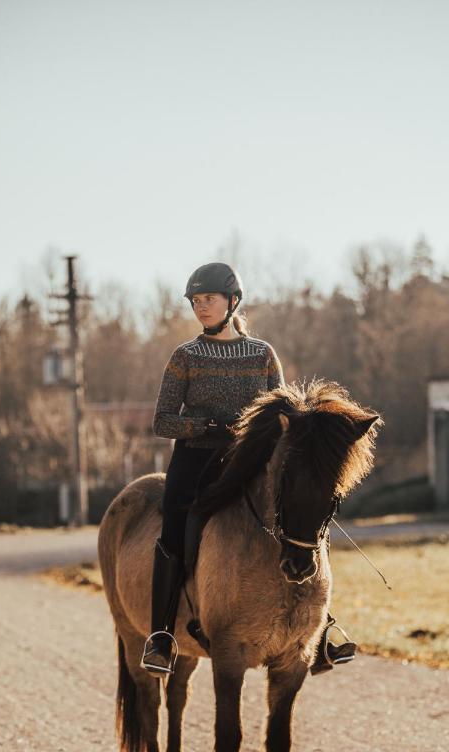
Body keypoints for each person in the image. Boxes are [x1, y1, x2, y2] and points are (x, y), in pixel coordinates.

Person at [141, 261, 356, 676]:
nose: (201, 307)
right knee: (173, 523)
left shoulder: (262, 354)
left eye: (209, 299)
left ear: (232, 301)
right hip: (196, 457)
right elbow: (162, 420)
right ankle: (162, 636)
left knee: (302, 513)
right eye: (196, 301)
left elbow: (286, 408)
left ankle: (323, 628)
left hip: (251, 457)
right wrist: (202, 425)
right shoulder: (184, 356)